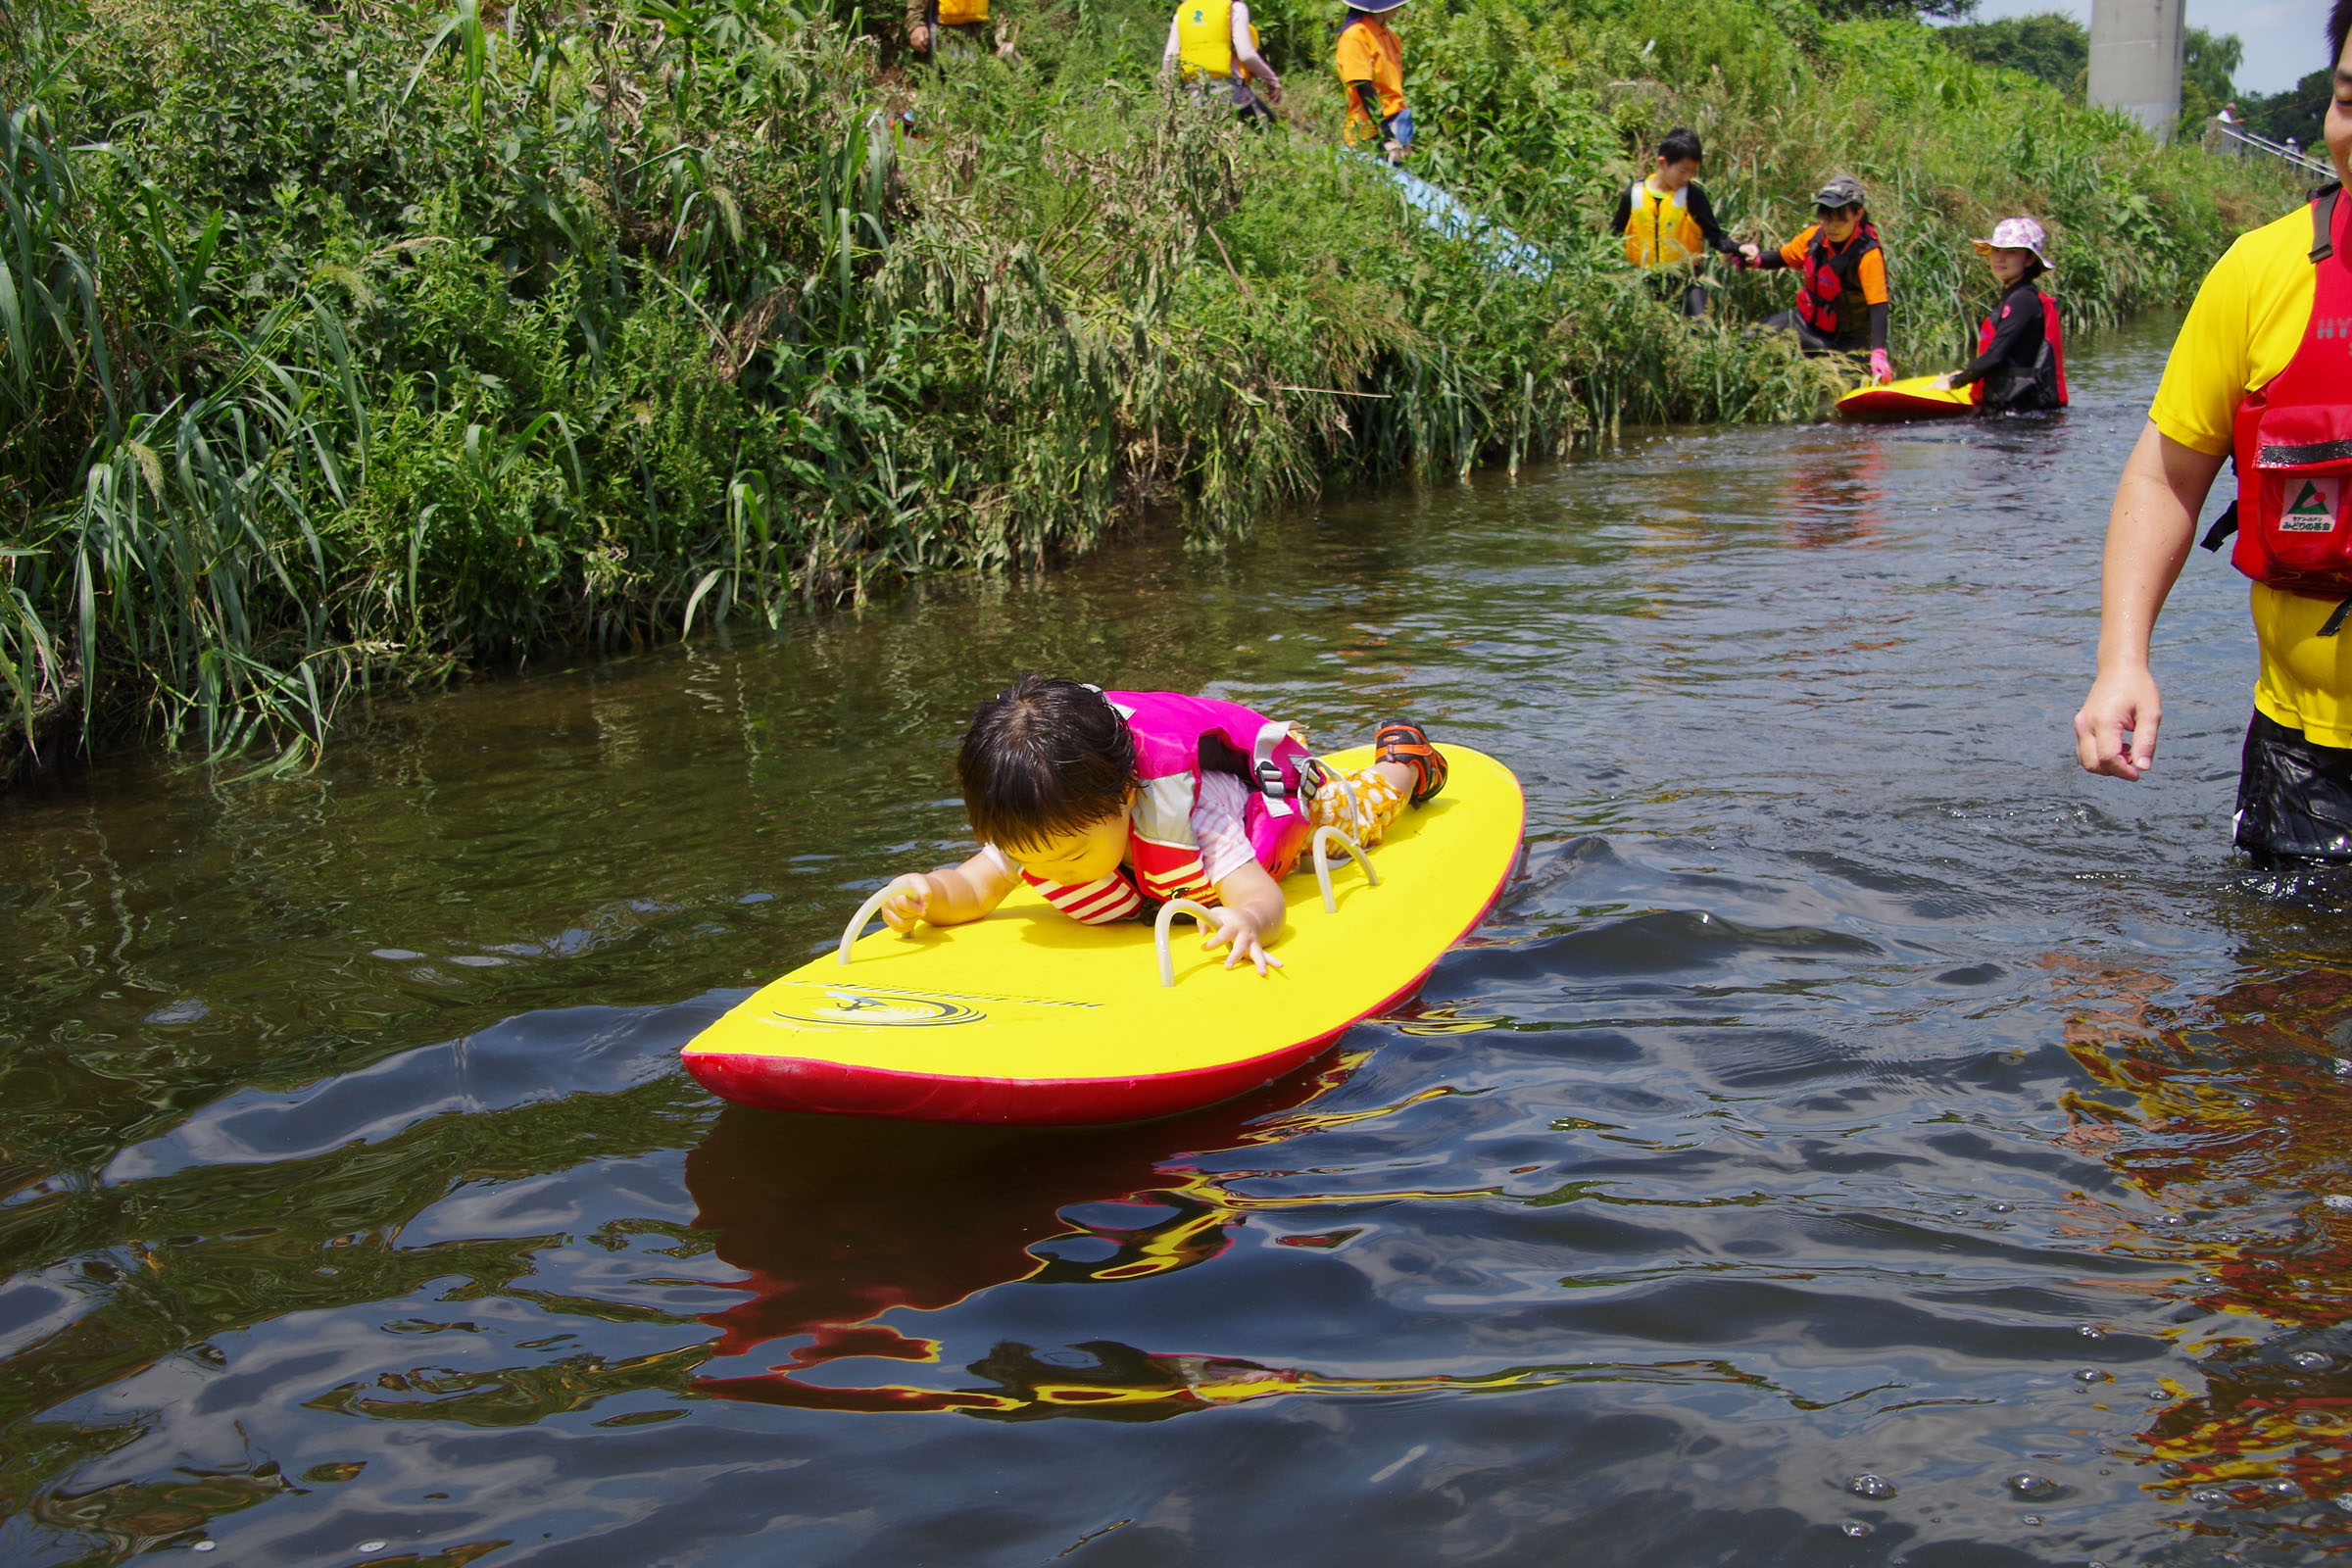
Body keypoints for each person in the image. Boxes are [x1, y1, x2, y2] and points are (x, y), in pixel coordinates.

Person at [2074, 0, 2352, 866]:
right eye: (2350, 100)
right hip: (2308, 758)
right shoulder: (2259, 273)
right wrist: (2122, 658)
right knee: (2279, 995)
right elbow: (2165, 476)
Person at [873, 676, 1451, 975]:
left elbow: (1261, 896)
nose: (1043, 870)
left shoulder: (1194, 818)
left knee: (1353, 814)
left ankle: (1403, 763)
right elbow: (973, 889)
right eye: (1029, 857)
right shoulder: (1043, 828)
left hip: (1265, 799)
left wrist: (1247, 920)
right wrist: (926, 894)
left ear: (1128, 795)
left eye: (1071, 859)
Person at [1752, 175, 1894, 384]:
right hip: (1807, 326)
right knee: (1752, 340)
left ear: (1858, 214)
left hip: (1850, 342)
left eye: (1840, 219)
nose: (1832, 226)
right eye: (1826, 218)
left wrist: (1879, 353)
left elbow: (1878, 307)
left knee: (1839, 390)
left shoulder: (1868, 254)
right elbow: (1782, 258)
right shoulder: (1813, 237)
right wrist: (1752, 259)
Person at [1607, 126, 1762, 318]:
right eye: (1683, 171)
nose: (1688, 177)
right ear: (1662, 163)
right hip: (1642, 279)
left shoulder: (1694, 196)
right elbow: (1612, 237)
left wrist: (1739, 248)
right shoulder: (1634, 194)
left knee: (1701, 326)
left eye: (1692, 172)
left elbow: (1715, 237)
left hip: (1686, 278)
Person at [1932, 216, 2068, 414]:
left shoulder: (2023, 300)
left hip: (2019, 414)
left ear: (2029, 259)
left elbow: (1995, 355)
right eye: (1996, 250)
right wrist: (1967, 374)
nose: (2000, 258)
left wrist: (1955, 382)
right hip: (2010, 409)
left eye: (2011, 252)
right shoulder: (2014, 295)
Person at [1162, 0, 1283, 123]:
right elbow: (1246, 55)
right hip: (1230, 91)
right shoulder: (1235, 8)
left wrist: (1168, 97)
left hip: (1194, 94)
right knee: (1273, 130)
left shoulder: (1183, 12)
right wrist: (1272, 81)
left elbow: (1169, 58)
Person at [1335, 0, 1411, 165]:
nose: (1399, 8)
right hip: (1369, 132)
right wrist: (1387, 139)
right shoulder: (1355, 36)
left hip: (1397, 123)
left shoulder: (1391, 37)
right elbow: (1364, 88)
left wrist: (1404, 134)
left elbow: (1393, 90)